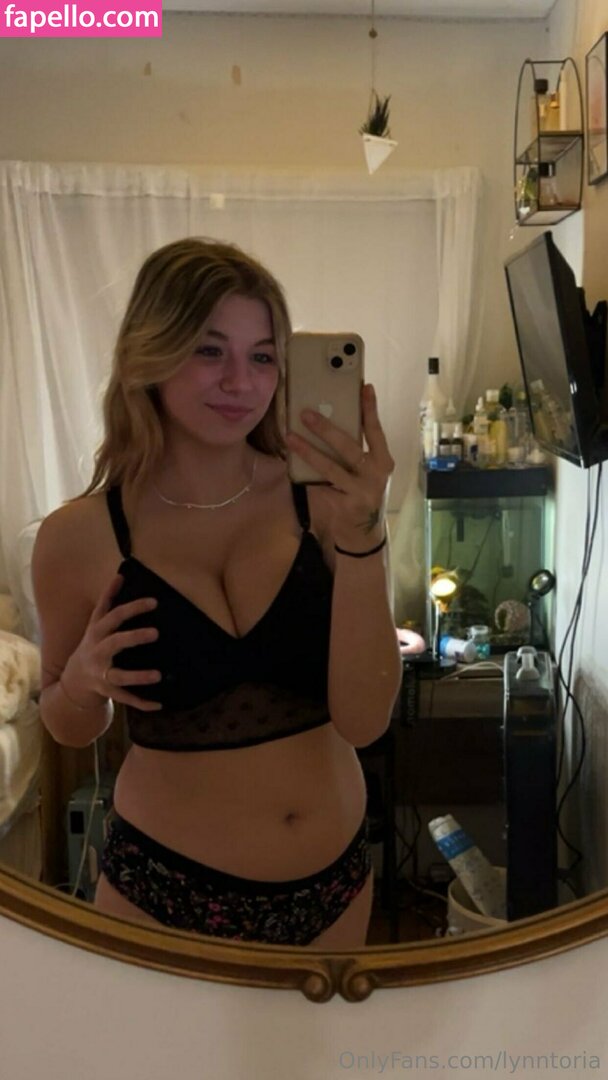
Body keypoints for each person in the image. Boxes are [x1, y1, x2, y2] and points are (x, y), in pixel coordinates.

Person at [32, 237, 403, 948]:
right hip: (163, 895)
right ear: (150, 353)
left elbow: (364, 722)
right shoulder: (78, 536)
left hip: (333, 891)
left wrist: (366, 533)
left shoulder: (324, 504)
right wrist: (80, 683)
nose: (241, 382)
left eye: (263, 356)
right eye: (210, 351)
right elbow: (67, 725)